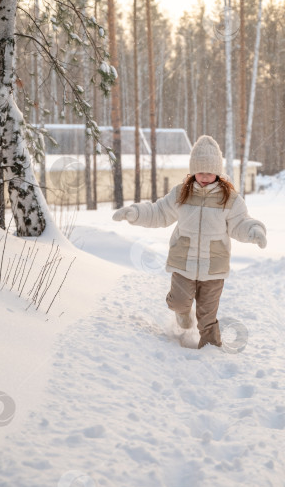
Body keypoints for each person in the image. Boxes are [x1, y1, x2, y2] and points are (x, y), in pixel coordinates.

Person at [112, 135, 267, 349]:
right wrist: (135, 213)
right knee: (178, 301)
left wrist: (254, 230)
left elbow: (240, 223)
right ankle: (182, 313)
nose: (204, 176)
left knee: (207, 316)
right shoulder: (181, 193)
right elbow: (158, 212)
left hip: (214, 268)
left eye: (209, 172)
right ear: (193, 171)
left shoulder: (229, 199)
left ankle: (211, 349)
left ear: (218, 173)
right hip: (183, 263)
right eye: (200, 171)